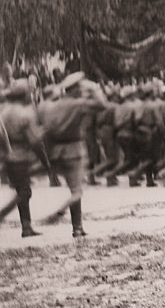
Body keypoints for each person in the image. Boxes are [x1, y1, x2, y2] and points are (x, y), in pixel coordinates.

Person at [40, 72, 106, 237]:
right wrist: (94, 88)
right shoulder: (77, 104)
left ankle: (77, 227)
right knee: (77, 192)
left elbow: (46, 130)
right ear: (76, 89)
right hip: (74, 150)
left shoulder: (53, 106)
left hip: (57, 151)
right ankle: (59, 213)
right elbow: (101, 105)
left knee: (74, 190)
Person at [0, 79, 50, 237]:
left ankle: (26, 227)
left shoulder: (4, 110)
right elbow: (35, 141)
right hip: (20, 155)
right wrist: (45, 161)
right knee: (24, 192)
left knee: (21, 190)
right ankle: (5, 215)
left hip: (6, 155)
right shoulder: (24, 113)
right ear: (24, 95)